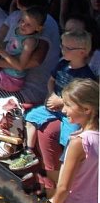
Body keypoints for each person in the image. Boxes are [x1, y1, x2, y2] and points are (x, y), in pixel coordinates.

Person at [9, 30, 96, 178]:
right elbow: (51, 80)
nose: (63, 49)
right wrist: (51, 94)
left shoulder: (85, 75)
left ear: (82, 52)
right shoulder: (62, 64)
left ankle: (68, 167)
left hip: (71, 112)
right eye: (62, 45)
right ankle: (29, 152)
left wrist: (61, 101)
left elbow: (82, 98)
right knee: (30, 117)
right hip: (53, 107)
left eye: (68, 48)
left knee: (69, 138)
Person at [48, 79, 98, 203]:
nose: (63, 110)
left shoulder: (79, 142)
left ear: (87, 109)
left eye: (68, 105)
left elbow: (63, 187)